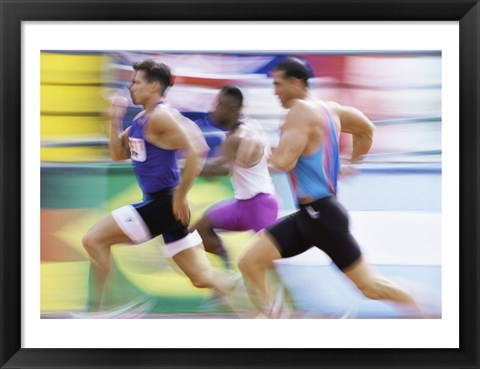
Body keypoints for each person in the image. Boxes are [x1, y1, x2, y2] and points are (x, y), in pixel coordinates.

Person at [238, 57, 420, 317]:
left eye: (278, 84)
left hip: (321, 217)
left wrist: (253, 153)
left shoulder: (299, 111)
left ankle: (426, 314)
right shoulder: (330, 109)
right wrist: (351, 162)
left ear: (296, 81)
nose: (274, 91)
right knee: (250, 262)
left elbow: (283, 161)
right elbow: (366, 129)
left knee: (371, 286)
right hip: (309, 215)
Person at [82, 59, 237, 312]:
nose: (130, 87)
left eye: (136, 82)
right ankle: (243, 297)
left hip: (164, 204)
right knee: (201, 278)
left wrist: (180, 196)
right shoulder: (143, 120)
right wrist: (113, 120)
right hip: (164, 207)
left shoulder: (162, 116)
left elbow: (198, 149)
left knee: (93, 240)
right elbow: (118, 154)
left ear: (154, 86)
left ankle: (110, 307)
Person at [191, 85, 279, 269]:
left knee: (269, 265)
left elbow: (214, 171)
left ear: (232, 109)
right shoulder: (245, 129)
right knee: (200, 230)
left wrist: (188, 162)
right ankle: (229, 272)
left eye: (218, 105)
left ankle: (282, 296)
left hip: (260, 205)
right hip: (242, 205)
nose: (212, 110)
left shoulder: (239, 137)